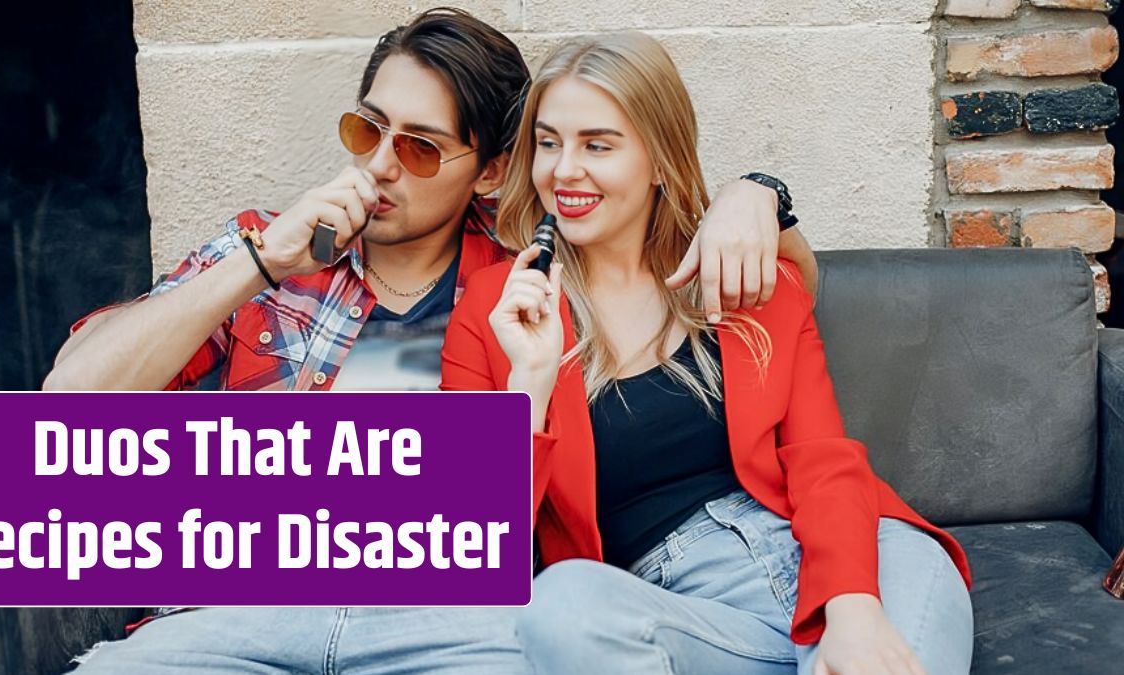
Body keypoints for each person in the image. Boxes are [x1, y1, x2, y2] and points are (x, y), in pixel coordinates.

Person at [47, 8, 820, 674]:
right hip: (243, 612)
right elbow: (68, 399)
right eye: (368, 128)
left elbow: (739, 278)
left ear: (486, 173)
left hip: (449, 625)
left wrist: (758, 198)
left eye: (419, 148)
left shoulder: (531, 278)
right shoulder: (271, 251)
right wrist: (258, 263)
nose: (379, 165)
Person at [440, 32, 974, 675]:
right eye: (549, 142)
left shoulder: (742, 276)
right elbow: (468, 542)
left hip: (863, 561)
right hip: (674, 608)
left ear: (660, 160)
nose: (564, 169)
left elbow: (823, 461)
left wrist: (854, 608)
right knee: (562, 606)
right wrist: (529, 382)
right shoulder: (495, 309)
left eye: (598, 145)